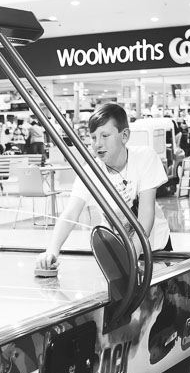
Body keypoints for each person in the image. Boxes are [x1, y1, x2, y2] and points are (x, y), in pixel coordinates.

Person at [35, 102, 171, 274]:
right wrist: (51, 251)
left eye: (105, 136)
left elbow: (145, 216)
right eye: (93, 137)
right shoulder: (90, 172)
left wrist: (131, 258)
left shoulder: (144, 157)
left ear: (124, 136)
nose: (97, 144)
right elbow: (70, 213)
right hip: (119, 253)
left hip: (156, 248)